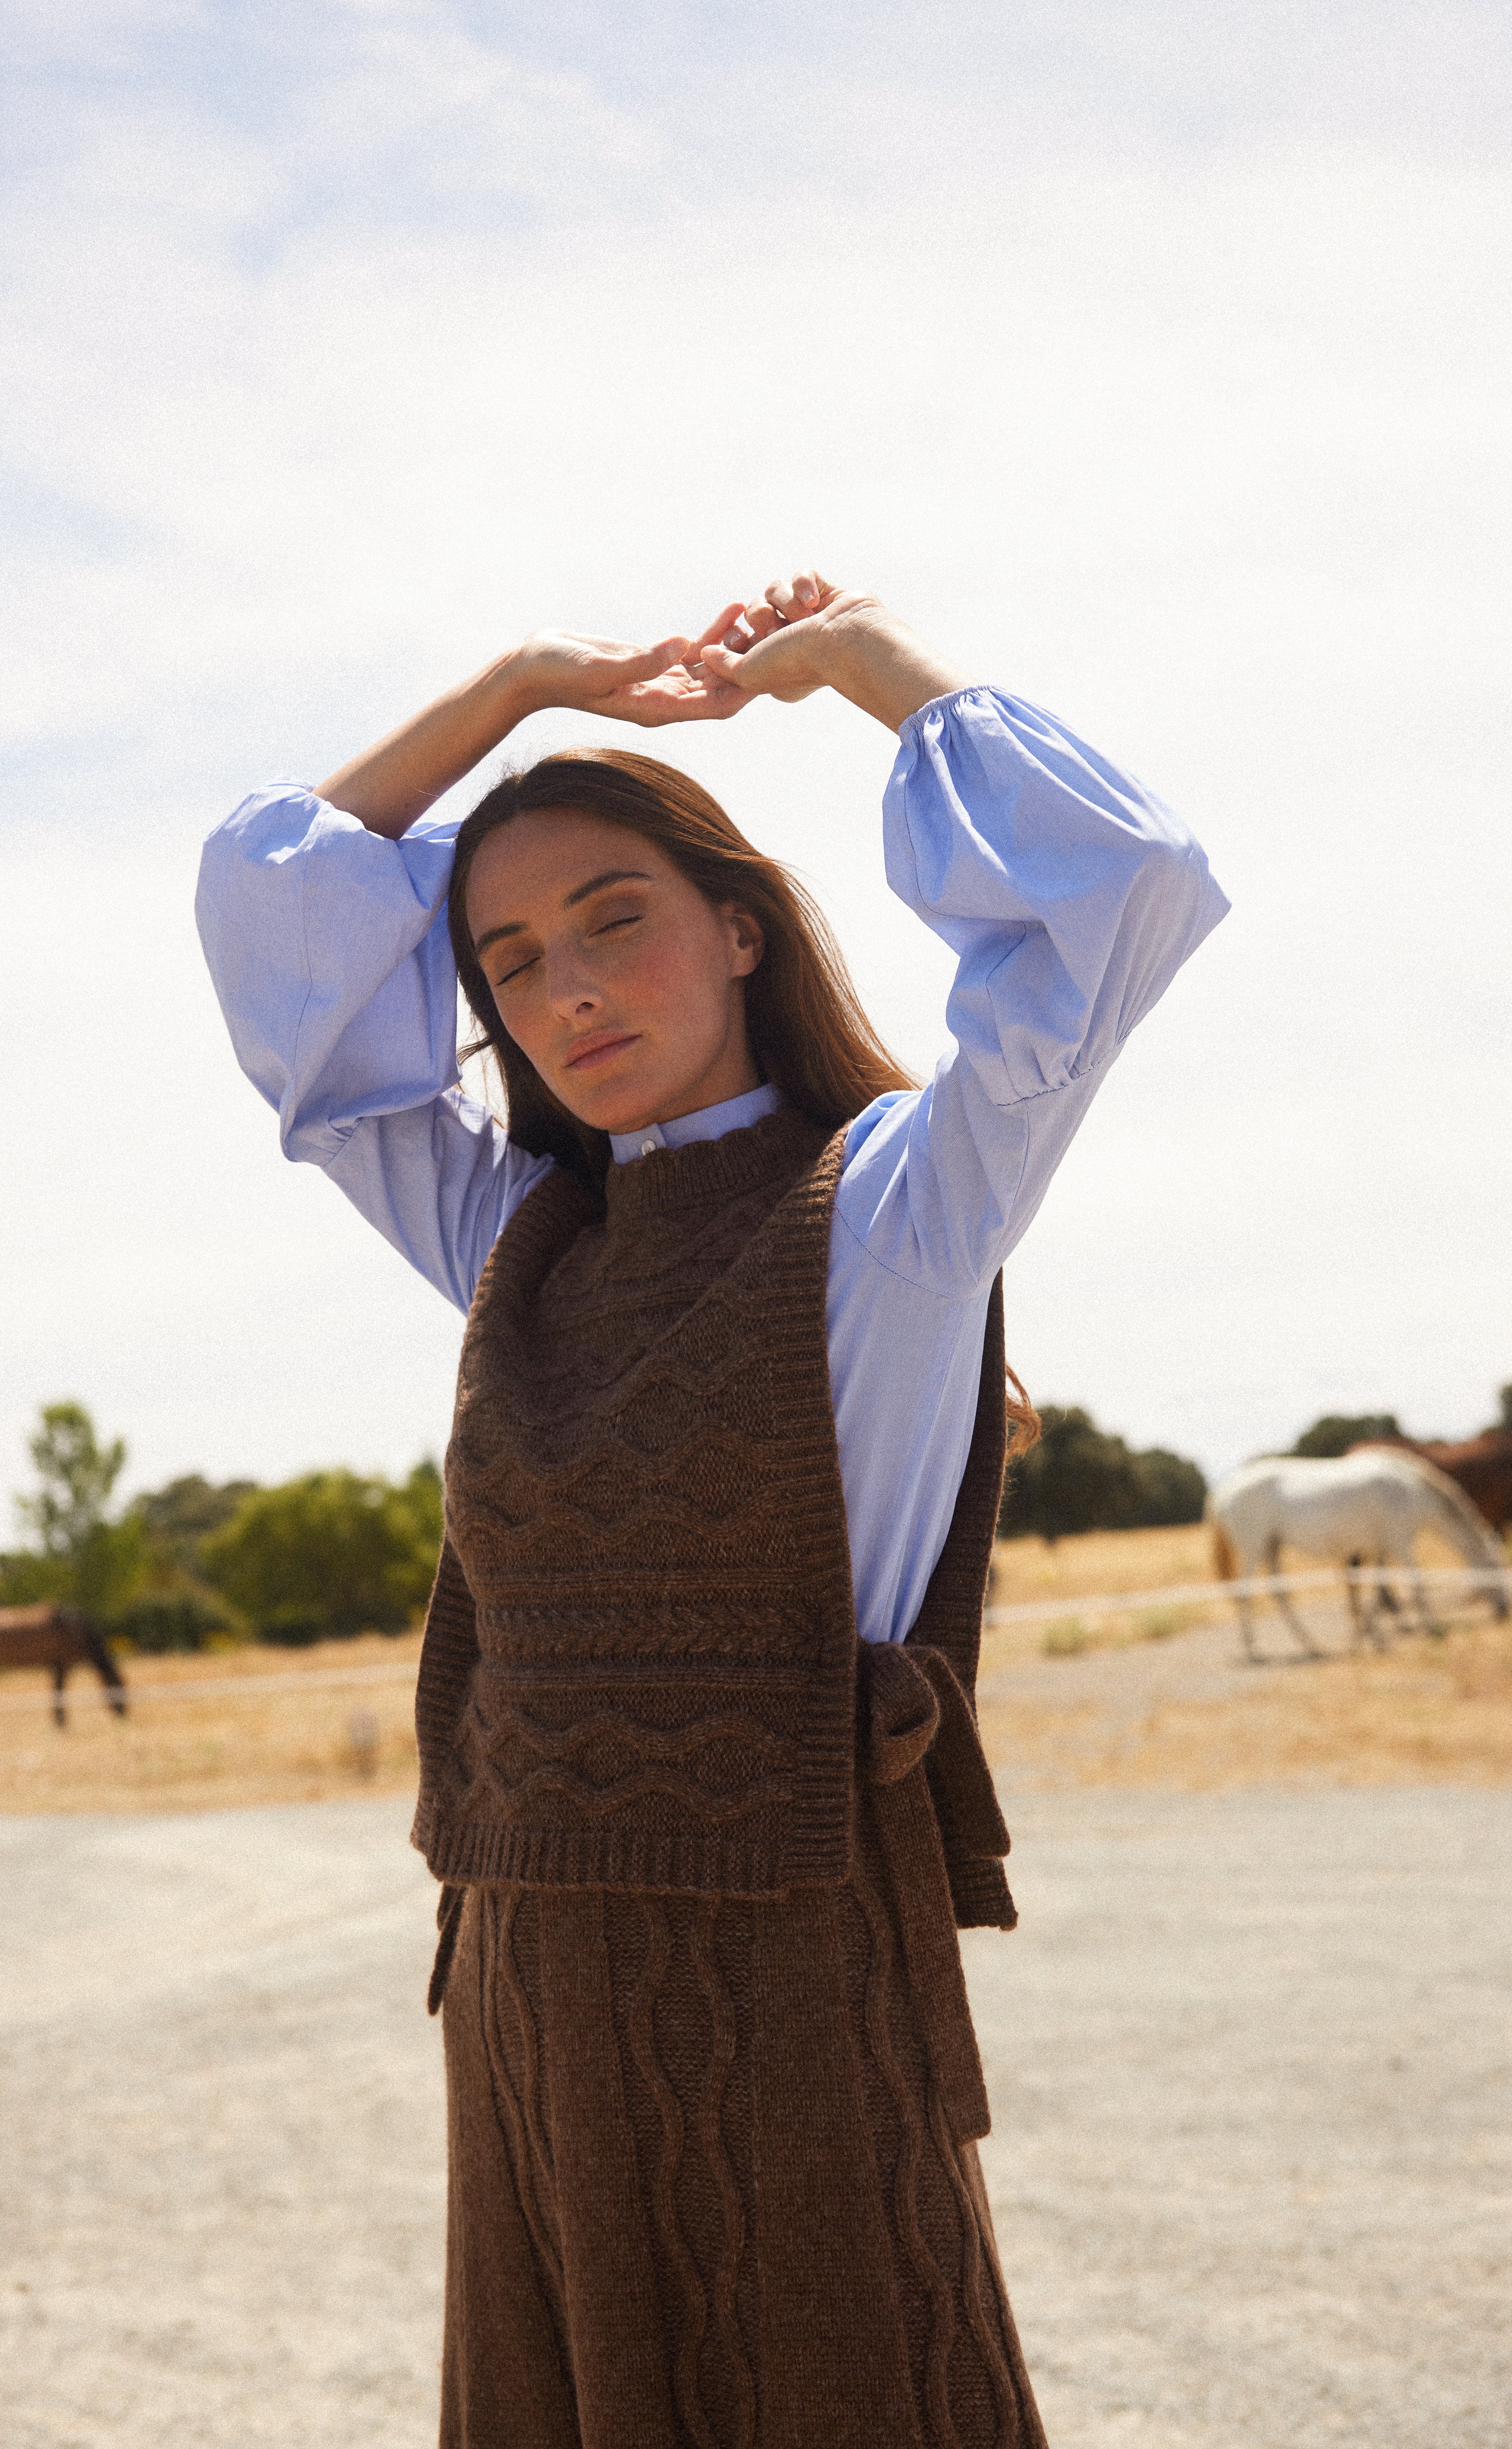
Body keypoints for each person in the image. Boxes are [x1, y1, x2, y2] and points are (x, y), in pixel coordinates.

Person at [197, 571, 1227, 2449]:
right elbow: (276, 926)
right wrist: (511, 690)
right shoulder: (519, 1239)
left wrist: (859, 666)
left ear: (739, 929)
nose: (568, 988)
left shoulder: (903, 1211)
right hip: (522, 1965)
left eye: (617, 921)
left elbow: (1119, 886)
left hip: (798, 1960)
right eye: (508, 961)